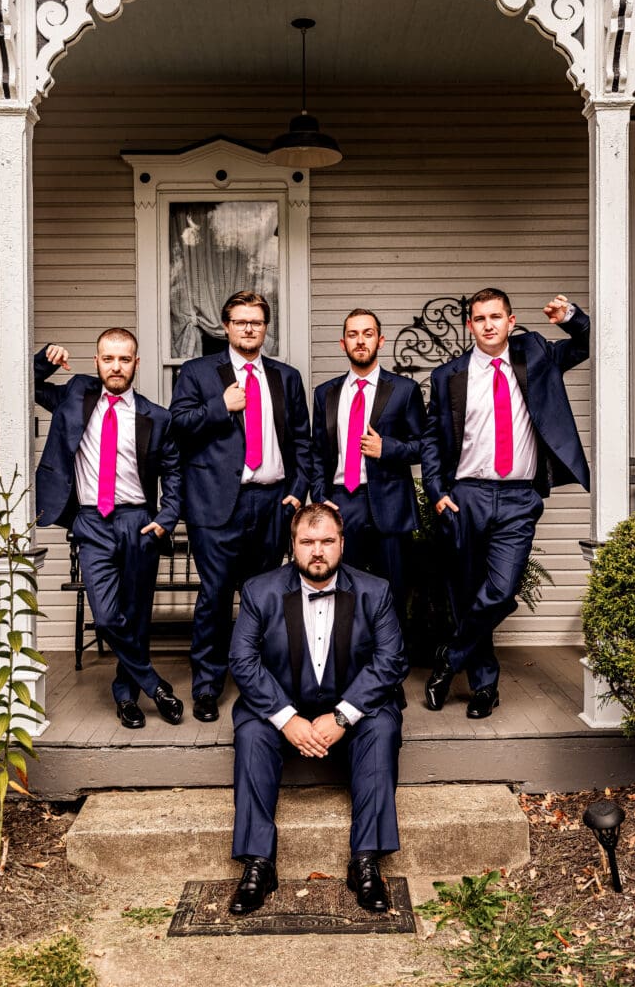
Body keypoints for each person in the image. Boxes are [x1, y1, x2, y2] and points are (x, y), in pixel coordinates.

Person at [227, 503, 408, 916]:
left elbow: (391, 661)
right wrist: (286, 718)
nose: (318, 551)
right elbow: (242, 661)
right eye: (308, 542)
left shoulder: (374, 591)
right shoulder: (260, 590)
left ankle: (365, 861)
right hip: (283, 708)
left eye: (327, 541)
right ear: (293, 546)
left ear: (342, 543)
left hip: (352, 710)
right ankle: (259, 864)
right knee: (251, 733)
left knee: (381, 726)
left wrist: (344, 716)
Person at [421, 289, 590, 719]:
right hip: (466, 496)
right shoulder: (449, 376)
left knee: (500, 590)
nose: (488, 325)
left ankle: (449, 658)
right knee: (466, 593)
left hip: (517, 496)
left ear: (511, 321)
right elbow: (433, 441)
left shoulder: (536, 357)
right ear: (470, 325)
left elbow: (589, 344)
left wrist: (570, 316)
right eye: (479, 318)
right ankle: (484, 688)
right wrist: (438, 492)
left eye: (496, 317)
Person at [169, 290, 311, 723]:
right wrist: (220, 406)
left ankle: (261, 682)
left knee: (266, 598)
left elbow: (302, 440)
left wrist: (297, 489)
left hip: (271, 503)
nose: (249, 328)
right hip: (215, 506)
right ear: (226, 327)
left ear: (266, 328)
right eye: (241, 321)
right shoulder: (197, 373)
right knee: (214, 597)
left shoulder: (286, 377)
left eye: (257, 322)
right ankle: (208, 685)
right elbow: (177, 427)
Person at [34, 329, 184, 728]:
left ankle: (127, 698)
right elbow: (27, 385)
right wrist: (45, 360)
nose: (115, 366)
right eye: (108, 358)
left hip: (139, 523)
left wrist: (165, 520)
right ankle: (154, 685)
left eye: (124, 359)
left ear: (136, 362)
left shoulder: (157, 416)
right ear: (97, 361)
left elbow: (173, 473)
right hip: (91, 521)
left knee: (135, 617)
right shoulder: (74, 396)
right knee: (105, 617)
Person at [310, 308, 426, 624]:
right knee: (344, 590)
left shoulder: (404, 391)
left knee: (394, 591)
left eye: (367, 333)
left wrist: (386, 448)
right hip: (341, 503)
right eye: (353, 334)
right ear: (342, 343)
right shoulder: (325, 394)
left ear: (380, 340)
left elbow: (424, 446)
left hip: (390, 504)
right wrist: (320, 497)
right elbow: (317, 453)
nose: (360, 341)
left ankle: (391, 664)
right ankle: (351, 661)